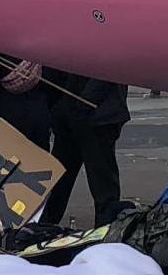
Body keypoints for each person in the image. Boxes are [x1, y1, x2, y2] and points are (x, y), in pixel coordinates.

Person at [40, 71, 131, 227]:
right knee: (64, 182)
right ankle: (45, 225)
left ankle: (104, 228)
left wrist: (80, 104)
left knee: (99, 184)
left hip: (95, 114)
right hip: (83, 111)